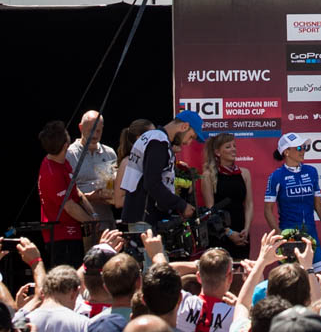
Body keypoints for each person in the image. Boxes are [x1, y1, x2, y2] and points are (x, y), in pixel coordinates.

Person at [263, 132, 321, 273]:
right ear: (286, 152)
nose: (303, 151)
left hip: (311, 232)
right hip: (289, 232)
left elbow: (318, 204)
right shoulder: (276, 176)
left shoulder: (311, 172)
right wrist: (280, 236)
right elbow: (268, 210)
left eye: (304, 148)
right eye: (299, 148)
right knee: (291, 279)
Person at [123, 113, 207, 231]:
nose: (188, 143)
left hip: (142, 215)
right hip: (145, 219)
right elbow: (152, 183)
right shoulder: (159, 141)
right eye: (191, 137)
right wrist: (181, 205)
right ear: (184, 126)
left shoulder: (155, 138)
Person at [69, 113, 124, 242]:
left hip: (106, 224)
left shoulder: (109, 153)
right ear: (80, 128)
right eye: (90, 130)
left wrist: (113, 195)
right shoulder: (70, 154)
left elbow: (114, 184)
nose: (94, 135)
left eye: (98, 130)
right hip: (83, 225)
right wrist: (89, 196)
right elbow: (66, 193)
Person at [39, 121, 87, 267]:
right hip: (61, 236)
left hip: (73, 233)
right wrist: (90, 221)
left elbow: (76, 191)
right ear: (66, 144)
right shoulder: (51, 172)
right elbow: (69, 206)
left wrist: (93, 214)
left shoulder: (63, 162)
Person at [199, 133, 252, 258]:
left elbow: (249, 204)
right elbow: (210, 210)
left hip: (241, 231)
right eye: (228, 147)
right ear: (218, 152)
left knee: (241, 270)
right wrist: (228, 232)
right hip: (220, 233)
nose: (233, 149)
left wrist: (246, 229)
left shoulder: (244, 173)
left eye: (234, 146)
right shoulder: (208, 175)